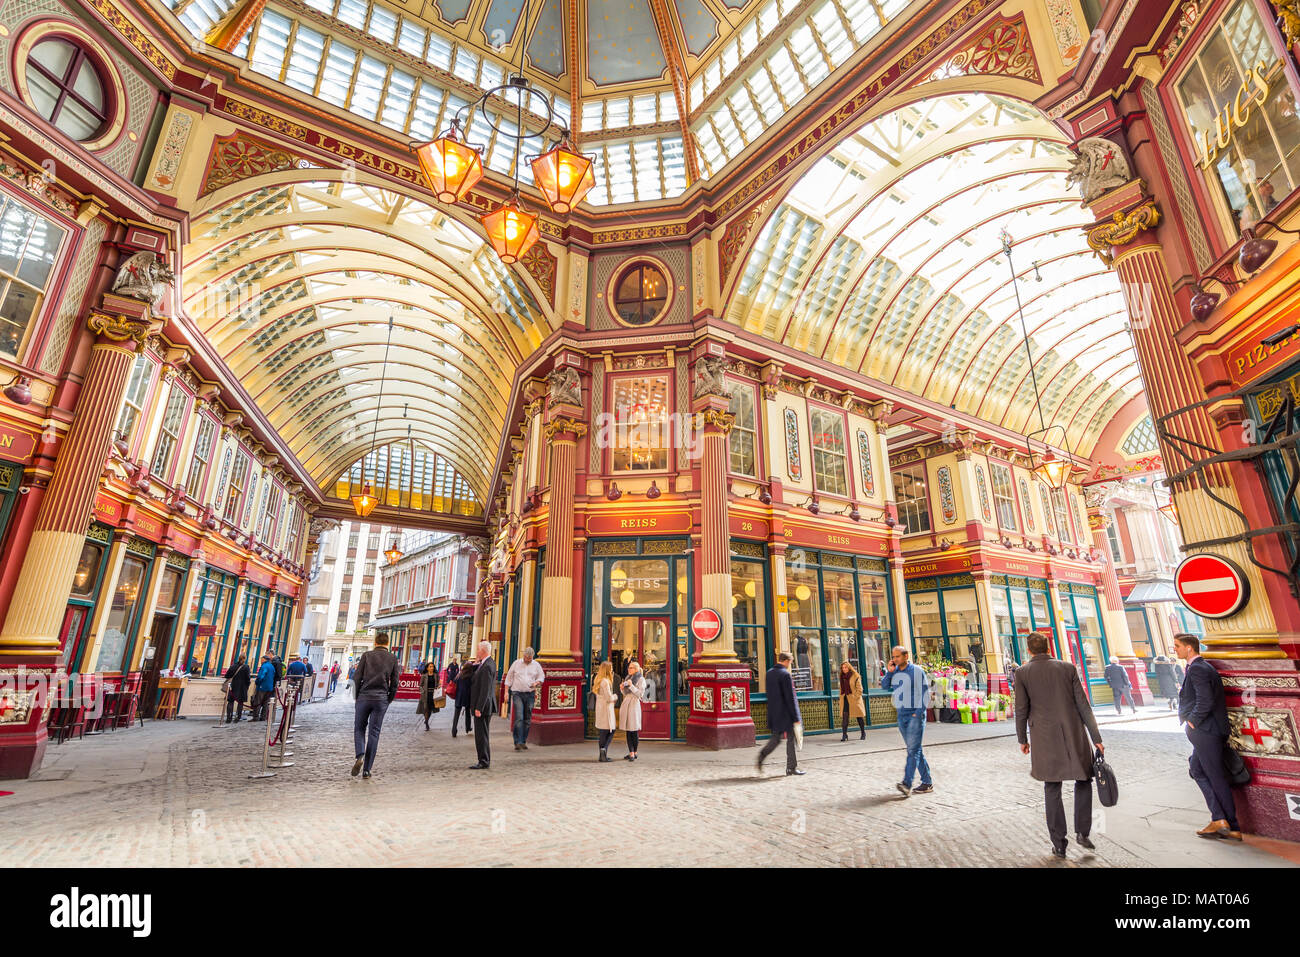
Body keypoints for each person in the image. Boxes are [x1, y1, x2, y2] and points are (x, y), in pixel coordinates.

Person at [1015, 631, 1104, 858]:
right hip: (1074, 733)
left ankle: (1059, 843)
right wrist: (1096, 738)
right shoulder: (1067, 668)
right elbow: (1083, 705)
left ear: (1029, 650)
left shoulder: (1022, 673)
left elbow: (1021, 709)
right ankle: (1083, 832)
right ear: (1048, 647)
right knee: (1083, 780)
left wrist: (1022, 739)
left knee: (1052, 787)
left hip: (1043, 737)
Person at [1175, 633, 1241, 841]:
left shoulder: (1198, 669)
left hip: (1206, 730)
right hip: (1208, 730)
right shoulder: (1200, 667)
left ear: (1189, 648)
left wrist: (1193, 720)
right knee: (1197, 769)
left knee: (1215, 775)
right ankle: (1220, 819)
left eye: (1177, 646)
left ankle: (1230, 823)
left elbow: (1205, 700)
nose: (1174, 649)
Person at [882, 645, 932, 796]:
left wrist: (918, 714)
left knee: (913, 750)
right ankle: (927, 782)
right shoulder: (895, 671)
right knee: (915, 750)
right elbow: (885, 686)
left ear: (905, 656)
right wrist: (889, 673)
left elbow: (925, 694)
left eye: (897, 656)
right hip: (902, 715)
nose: (894, 659)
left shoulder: (917, 671)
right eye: (893, 656)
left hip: (914, 716)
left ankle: (907, 784)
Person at [351, 633, 401, 780]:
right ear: (388, 643)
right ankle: (367, 769)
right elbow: (395, 682)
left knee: (359, 728)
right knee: (374, 732)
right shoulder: (392, 658)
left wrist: (356, 696)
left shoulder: (366, 656)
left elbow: (356, 677)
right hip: (381, 698)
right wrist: (389, 698)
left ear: (375, 642)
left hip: (364, 697)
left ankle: (360, 754)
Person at [757, 651, 803, 775]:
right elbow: (790, 697)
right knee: (791, 740)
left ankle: (762, 755)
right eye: (790, 662)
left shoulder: (769, 673)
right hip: (786, 714)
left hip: (774, 712)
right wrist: (796, 717)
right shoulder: (785, 675)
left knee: (776, 739)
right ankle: (791, 768)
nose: (790, 665)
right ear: (787, 661)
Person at [503, 646, 545, 751]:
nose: (528, 660)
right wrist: (506, 693)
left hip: (530, 694)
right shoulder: (516, 663)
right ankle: (517, 742)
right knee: (519, 717)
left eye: (530, 658)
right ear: (524, 656)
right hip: (517, 693)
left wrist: (537, 682)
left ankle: (523, 741)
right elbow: (509, 678)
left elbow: (541, 677)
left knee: (527, 719)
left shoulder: (536, 665)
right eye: (527, 658)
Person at [468, 641, 497, 769]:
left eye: (478, 650)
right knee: (482, 734)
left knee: (481, 735)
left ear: (483, 651)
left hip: (483, 708)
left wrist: (479, 708)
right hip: (483, 706)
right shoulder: (485, 663)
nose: (477, 652)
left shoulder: (487, 666)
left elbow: (485, 690)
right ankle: (484, 759)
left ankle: (483, 760)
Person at [618, 659, 645, 761]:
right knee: (628, 729)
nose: (629, 669)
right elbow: (626, 693)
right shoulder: (627, 678)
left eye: (631, 668)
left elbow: (640, 694)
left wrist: (631, 685)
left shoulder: (641, 679)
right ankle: (631, 752)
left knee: (634, 729)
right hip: (627, 703)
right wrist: (622, 688)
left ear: (636, 669)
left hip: (634, 704)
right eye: (628, 667)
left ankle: (635, 752)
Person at [592, 660, 617, 762]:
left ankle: (602, 755)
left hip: (600, 708)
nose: (612, 670)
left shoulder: (598, 679)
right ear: (607, 670)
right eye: (610, 668)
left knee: (603, 732)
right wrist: (615, 696)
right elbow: (609, 698)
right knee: (610, 730)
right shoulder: (605, 682)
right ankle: (603, 752)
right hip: (606, 709)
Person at [838, 660, 866, 741]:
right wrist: (841, 697)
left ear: (849, 667)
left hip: (854, 700)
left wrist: (855, 697)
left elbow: (860, 689)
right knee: (845, 717)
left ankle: (863, 733)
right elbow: (841, 689)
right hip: (845, 699)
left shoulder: (855, 675)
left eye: (845, 667)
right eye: (842, 668)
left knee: (859, 717)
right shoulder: (841, 676)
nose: (844, 669)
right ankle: (844, 735)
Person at [223, 655, 251, 724]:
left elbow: (227, 675)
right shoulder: (246, 667)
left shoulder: (233, 666)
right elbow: (248, 678)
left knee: (230, 702)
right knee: (240, 703)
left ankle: (229, 718)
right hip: (242, 687)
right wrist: (247, 686)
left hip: (233, 686)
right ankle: (238, 717)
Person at [452, 657, 476, 738]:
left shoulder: (459, 674)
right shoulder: (472, 675)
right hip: (467, 697)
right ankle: (467, 728)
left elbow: (454, 682)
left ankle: (454, 730)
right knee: (468, 713)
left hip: (459, 696)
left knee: (456, 714)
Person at [416, 659, 442, 731]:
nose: (432, 668)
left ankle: (426, 720)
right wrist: (422, 691)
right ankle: (427, 723)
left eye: (433, 667)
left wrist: (439, 686)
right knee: (426, 708)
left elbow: (438, 683)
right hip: (425, 694)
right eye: (430, 666)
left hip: (433, 694)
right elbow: (420, 685)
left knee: (430, 709)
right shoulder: (424, 676)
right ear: (427, 668)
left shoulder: (436, 675)